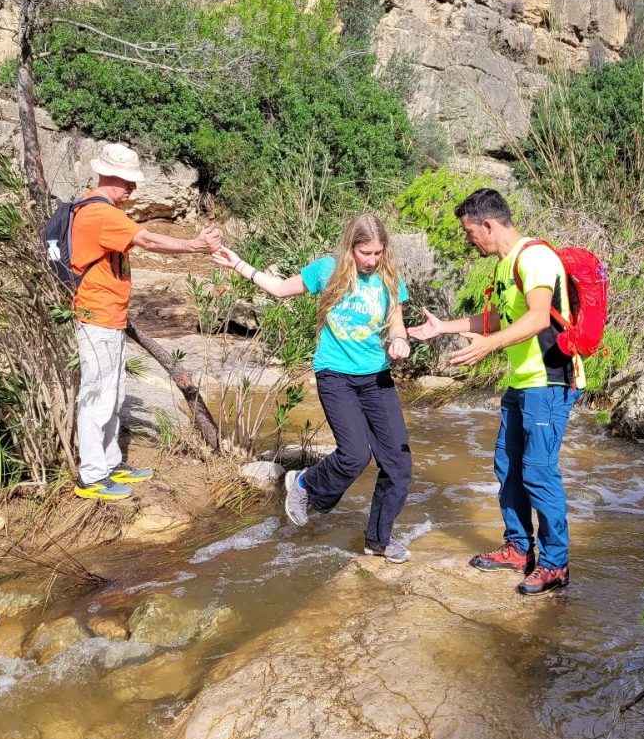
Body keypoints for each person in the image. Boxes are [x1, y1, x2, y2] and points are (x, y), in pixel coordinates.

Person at [408, 188, 583, 595]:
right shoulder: (505, 265)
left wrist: (488, 346)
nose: (469, 240)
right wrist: (444, 327)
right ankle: (520, 549)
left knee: (539, 473)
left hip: (550, 380)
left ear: (487, 224)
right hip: (521, 382)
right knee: (507, 466)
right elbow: (497, 317)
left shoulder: (534, 257)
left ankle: (556, 564)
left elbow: (539, 318)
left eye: (470, 232)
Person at [212, 214, 414, 563]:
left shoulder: (389, 277)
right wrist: (239, 264)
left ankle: (379, 541)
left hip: (377, 377)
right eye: (366, 252)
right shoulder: (328, 270)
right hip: (335, 374)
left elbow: (397, 323)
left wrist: (399, 340)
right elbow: (278, 290)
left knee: (399, 464)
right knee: (355, 455)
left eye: (379, 252)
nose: (372, 260)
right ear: (351, 248)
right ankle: (304, 484)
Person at [72, 142, 221, 500]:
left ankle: (109, 465)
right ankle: (92, 477)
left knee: (114, 393)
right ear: (109, 175)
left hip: (109, 318)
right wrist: (196, 247)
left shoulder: (98, 209)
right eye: (128, 182)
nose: (133, 188)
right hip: (97, 318)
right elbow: (149, 241)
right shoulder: (101, 214)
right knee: (98, 397)